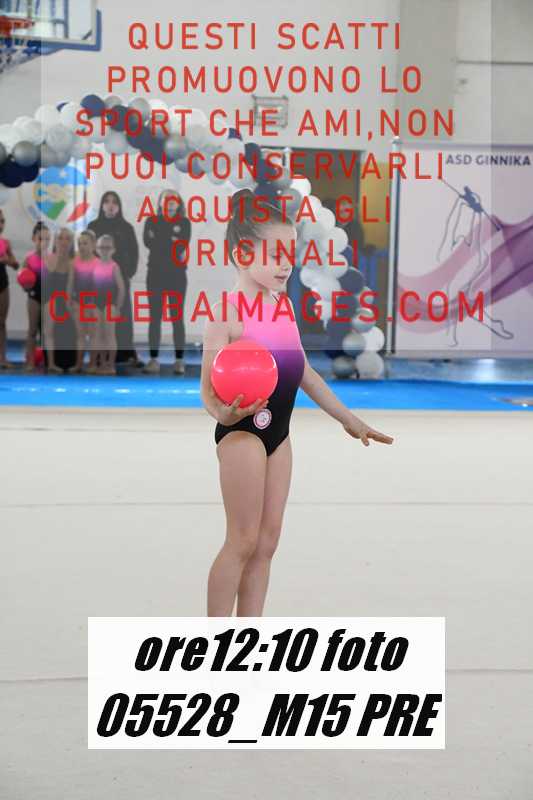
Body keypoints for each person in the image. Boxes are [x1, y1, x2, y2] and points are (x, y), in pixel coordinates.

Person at [200, 188, 394, 617]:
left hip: (279, 435)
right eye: (274, 254)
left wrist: (349, 419)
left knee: (267, 544)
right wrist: (224, 413)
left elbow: (303, 371)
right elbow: (207, 392)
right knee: (242, 540)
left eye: (289, 254)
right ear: (241, 253)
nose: (285, 264)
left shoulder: (283, 306)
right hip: (242, 433)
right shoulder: (226, 312)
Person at [88, 191, 142, 366]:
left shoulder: (126, 228)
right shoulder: (93, 226)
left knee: (122, 318)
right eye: (107, 202)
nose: (110, 205)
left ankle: (125, 354)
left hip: (120, 281)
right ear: (102, 205)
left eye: (114, 202)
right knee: (99, 320)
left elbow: (134, 253)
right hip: (98, 282)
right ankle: (99, 356)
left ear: (119, 206)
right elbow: (87, 251)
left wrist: (127, 273)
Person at [142, 190, 191, 375]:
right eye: (166, 199)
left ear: (179, 204)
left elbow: (180, 246)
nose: (170, 203)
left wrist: (161, 239)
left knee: (176, 317)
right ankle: (153, 359)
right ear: (160, 203)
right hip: (155, 275)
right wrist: (169, 239)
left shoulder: (184, 223)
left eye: (174, 200)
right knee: (155, 317)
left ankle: (179, 360)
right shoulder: (151, 221)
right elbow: (149, 243)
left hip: (176, 276)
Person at [42, 227, 76, 374]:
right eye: (60, 238)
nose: (64, 242)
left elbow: (70, 285)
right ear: (55, 241)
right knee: (49, 328)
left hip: (66, 299)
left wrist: (69, 303)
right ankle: (51, 363)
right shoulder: (48, 258)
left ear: (72, 242)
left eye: (67, 239)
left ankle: (75, 361)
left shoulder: (73, 261)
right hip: (50, 299)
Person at [67, 229, 99, 373]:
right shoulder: (74, 262)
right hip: (78, 302)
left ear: (93, 245)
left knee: (93, 334)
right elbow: (70, 284)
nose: (82, 246)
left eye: (85, 243)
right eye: (79, 243)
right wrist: (69, 301)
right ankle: (79, 363)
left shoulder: (98, 263)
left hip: (93, 303)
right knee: (80, 335)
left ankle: (92, 363)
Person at [93, 234, 125, 375]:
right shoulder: (94, 265)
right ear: (97, 249)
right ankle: (102, 363)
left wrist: (118, 307)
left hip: (110, 304)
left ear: (113, 250)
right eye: (101, 247)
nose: (104, 250)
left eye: (108, 247)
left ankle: (111, 365)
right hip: (97, 304)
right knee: (99, 335)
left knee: (110, 335)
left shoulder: (114, 266)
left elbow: (121, 288)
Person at [21, 221, 50, 371]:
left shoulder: (52, 258)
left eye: (47, 239)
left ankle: (49, 362)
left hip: (48, 299)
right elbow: (22, 279)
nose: (44, 242)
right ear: (34, 239)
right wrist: (25, 286)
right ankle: (30, 362)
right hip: (33, 297)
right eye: (40, 239)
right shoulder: (28, 259)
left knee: (47, 332)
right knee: (32, 330)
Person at [0, 209, 19, 368]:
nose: (1, 224)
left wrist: (8, 260)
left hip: (2, 283)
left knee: (1, 322)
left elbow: (16, 265)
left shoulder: (5, 243)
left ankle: (2, 358)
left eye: (2, 221)